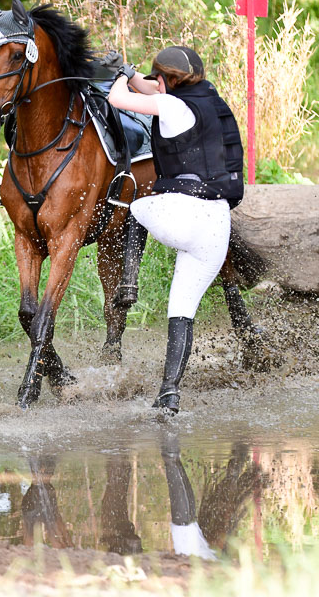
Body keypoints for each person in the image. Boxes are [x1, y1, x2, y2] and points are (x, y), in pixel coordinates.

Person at [108, 46, 244, 414]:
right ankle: (169, 392)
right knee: (181, 311)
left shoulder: (169, 105)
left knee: (137, 208)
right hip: (217, 224)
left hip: (183, 214)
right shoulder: (208, 97)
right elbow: (153, 90)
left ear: (168, 80)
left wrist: (118, 77)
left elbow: (117, 98)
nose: (154, 83)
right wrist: (131, 72)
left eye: (158, 78)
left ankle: (128, 282)